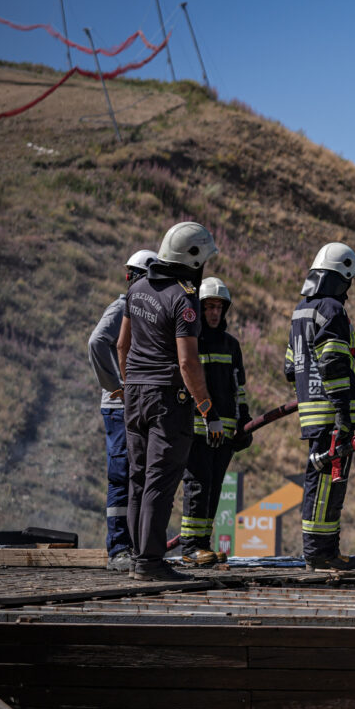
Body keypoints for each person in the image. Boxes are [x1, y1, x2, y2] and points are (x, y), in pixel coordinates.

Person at [117, 222, 221, 582]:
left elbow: (121, 346)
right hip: (167, 400)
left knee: (138, 478)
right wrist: (207, 407)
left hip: (135, 395)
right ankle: (149, 562)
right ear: (192, 259)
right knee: (160, 480)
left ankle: (137, 557)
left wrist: (131, 385)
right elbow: (187, 362)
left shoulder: (137, 288)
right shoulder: (184, 297)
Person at [284, 242, 355, 571]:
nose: (349, 290)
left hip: (312, 410)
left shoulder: (301, 311)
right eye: (349, 281)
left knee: (318, 481)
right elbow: (334, 363)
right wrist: (343, 414)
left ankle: (319, 551)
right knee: (327, 485)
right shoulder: (332, 312)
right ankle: (321, 554)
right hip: (332, 412)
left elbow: (289, 368)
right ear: (339, 279)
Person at [87, 249, 157, 572]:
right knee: (121, 475)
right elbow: (97, 342)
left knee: (136, 474)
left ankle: (133, 545)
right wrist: (116, 384)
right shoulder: (121, 308)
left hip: (134, 406)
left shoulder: (141, 312)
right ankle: (118, 549)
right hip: (119, 408)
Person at [179, 277, 254, 566]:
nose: (213, 313)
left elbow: (239, 387)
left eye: (218, 307)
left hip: (224, 434)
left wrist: (242, 421)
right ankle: (189, 547)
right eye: (208, 307)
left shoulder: (231, 345)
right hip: (198, 431)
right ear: (198, 308)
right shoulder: (190, 342)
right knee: (197, 487)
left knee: (213, 489)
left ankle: (203, 545)